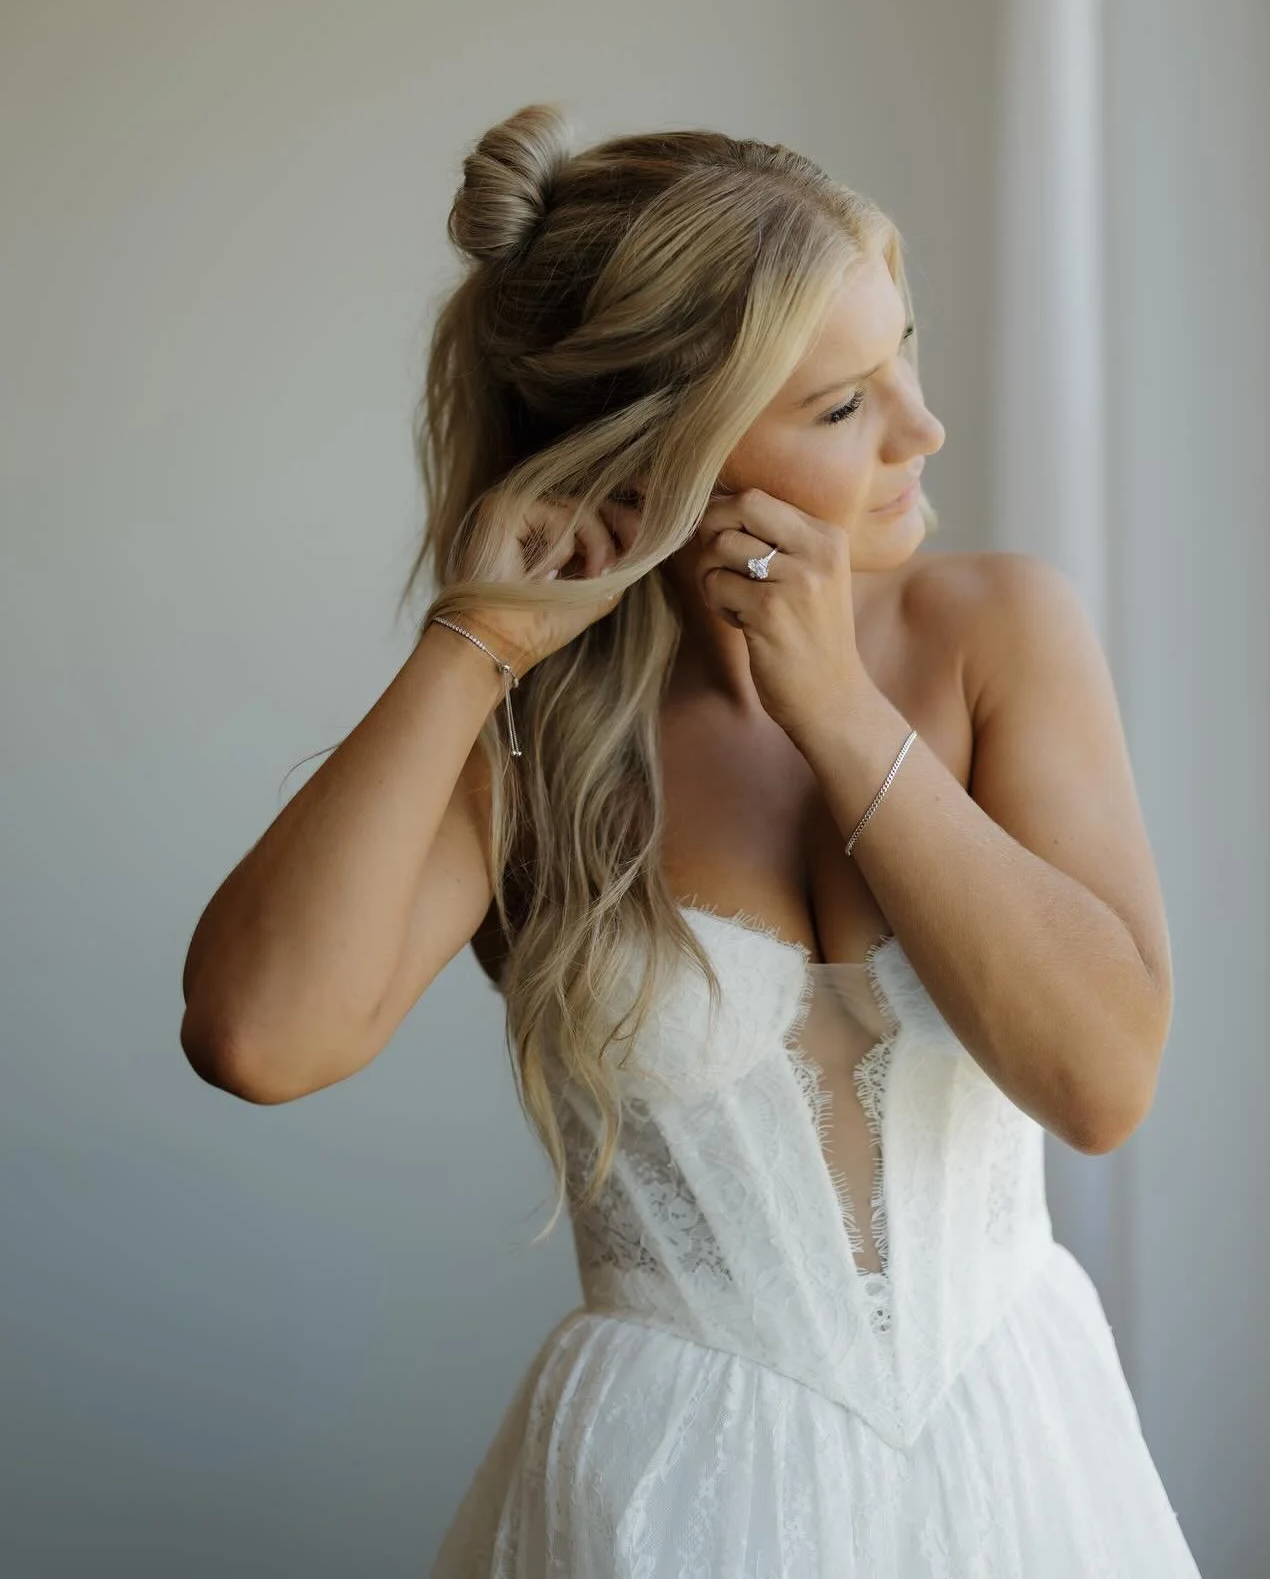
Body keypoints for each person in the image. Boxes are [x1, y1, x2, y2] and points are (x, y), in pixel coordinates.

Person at [181, 103, 1203, 1576]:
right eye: (843, 407)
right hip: (677, 1495)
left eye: (903, 352)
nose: (923, 427)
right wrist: (472, 646)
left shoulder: (999, 632)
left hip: (1021, 1460)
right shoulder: (527, 749)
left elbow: (1101, 1083)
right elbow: (258, 1037)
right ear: (669, 452)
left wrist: (836, 708)